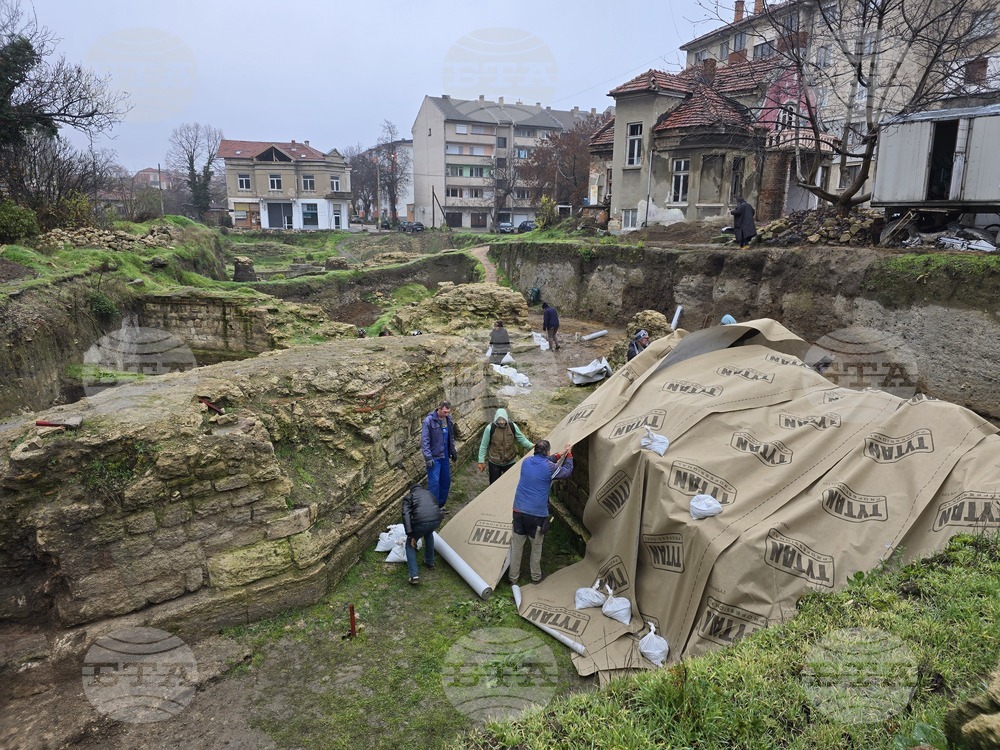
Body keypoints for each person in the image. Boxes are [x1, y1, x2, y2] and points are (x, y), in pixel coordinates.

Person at [508, 440, 574, 585]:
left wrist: (559, 454)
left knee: (517, 547)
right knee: (536, 547)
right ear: (548, 452)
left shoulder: (526, 462)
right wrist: (568, 455)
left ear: (535, 451)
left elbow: (543, 462)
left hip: (518, 510)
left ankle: (513, 578)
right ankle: (535, 577)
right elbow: (567, 472)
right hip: (536, 515)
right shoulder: (550, 468)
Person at [477, 408, 534, 484]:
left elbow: (522, 439)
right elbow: (484, 445)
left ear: (506, 418)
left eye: (503, 420)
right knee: (494, 484)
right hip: (494, 462)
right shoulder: (490, 428)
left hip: (510, 461)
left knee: (510, 484)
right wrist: (481, 461)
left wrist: (532, 446)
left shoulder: (512, 426)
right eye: (499, 420)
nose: (501, 422)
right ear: (496, 419)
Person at [401, 483, 442, 585]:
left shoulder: (409, 497)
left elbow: (406, 515)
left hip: (421, 522)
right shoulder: (429, 494)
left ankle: (414, 575)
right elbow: (436, 506)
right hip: (437, 520)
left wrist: (410, 534)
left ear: (411, 491)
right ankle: (430, 562)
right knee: (428, 534)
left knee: (409, 545)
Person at [421, 400, 457, 511]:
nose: (447, 414)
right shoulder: (428, 421)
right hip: (434, 457)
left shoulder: (448, 419)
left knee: (445, 481)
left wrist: (453, 450)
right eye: (445, 412)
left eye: (448, 412)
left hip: (445, 455)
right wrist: (428, 457)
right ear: (438, 408)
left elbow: (450, 436)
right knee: (434, 483)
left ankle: (441, 505)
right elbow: (425, 440)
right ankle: (433, 508)